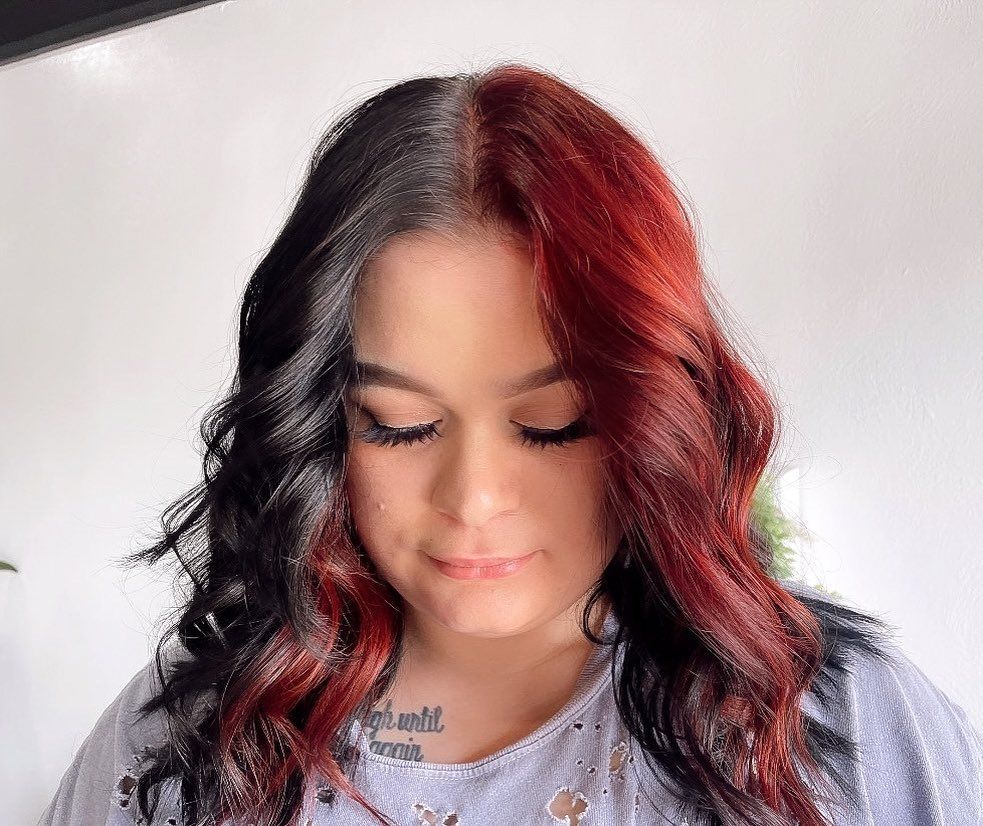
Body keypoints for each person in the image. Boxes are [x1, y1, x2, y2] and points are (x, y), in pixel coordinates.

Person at [40, 63, 982, 826]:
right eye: (399, 425)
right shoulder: (177, 749)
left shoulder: (834, 723)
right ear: (322, 426)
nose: (475, 496)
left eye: (552, 423)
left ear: (653, 422)